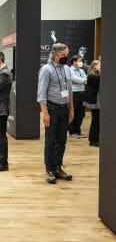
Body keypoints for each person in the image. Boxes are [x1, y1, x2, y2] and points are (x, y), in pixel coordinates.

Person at [37, 43, 74, 184]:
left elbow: (70, 92)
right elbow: (41, 94)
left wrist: (71, 110)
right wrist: (45, 113)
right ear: (55, 54)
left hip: (64, 109)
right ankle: (50, 169)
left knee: (62, 140)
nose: (66, 58)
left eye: (67, 55)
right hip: (52, 109)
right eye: (63, 55)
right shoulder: (46, 70)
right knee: (50, 140)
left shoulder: (67, 69)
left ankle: (58, 167)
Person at [69, 55, 87, 138]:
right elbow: (77, 80)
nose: (81, 62)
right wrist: (81, 81)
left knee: (81, 113)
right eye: (79, 61)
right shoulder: (70, 70)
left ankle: (78, 130)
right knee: (73, 111)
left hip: (82, 93)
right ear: (74, 61)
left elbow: (85, 80)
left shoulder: (82, 70)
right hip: (73, 93)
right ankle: (72, 131)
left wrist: (79, 81)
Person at [84, 60, 101, 147]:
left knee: (96, 121)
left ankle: (94, 139)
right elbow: (99, 86)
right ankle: (94, 140)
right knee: (96, 121)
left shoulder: (96, 75)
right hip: (95, 102)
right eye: (100, 65)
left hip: (97, 101)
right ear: (94, 66)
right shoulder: (92, 76)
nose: (101, 67)